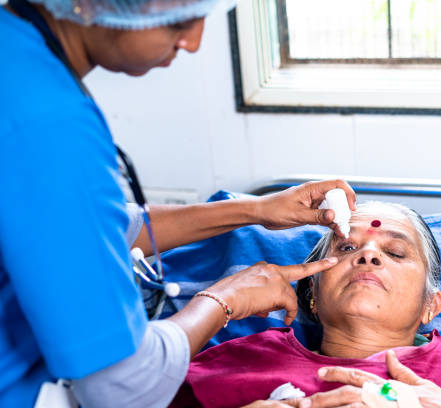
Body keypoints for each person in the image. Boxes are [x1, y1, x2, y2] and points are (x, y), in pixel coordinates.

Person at [0, 0, 357, 406]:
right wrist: (226, 299)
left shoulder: (15, 55)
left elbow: (89, 225)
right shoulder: (47, 125)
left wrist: (256, 209)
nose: (193, 42)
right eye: (178, 23)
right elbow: (122, 387)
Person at [170, 202, 441, 408]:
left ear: (429, 306)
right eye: (347, 247)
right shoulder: (238, 364)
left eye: (395, 253)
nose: (368, 256)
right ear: (311, 292)